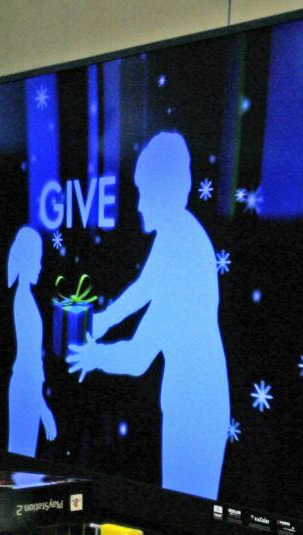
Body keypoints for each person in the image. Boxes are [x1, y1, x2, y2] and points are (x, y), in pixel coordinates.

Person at [66, 130, 229, 500]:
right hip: (189, 398)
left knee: (188, 513)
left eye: (144, 192)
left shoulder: (183, 248)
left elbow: (140, 356)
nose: (138, 205)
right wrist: (105, 318)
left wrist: (95, 356)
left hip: (196, 405)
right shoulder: (176, 232)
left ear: (167, 190)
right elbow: (143, 287)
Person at [6, 226, 55, 458]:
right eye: (37, 260)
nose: (40, 267)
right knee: (22, 461)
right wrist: (43, 409)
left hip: (28, 389)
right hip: (26, 391)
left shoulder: (26, 299)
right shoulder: (24, 301)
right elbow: (28, 361)